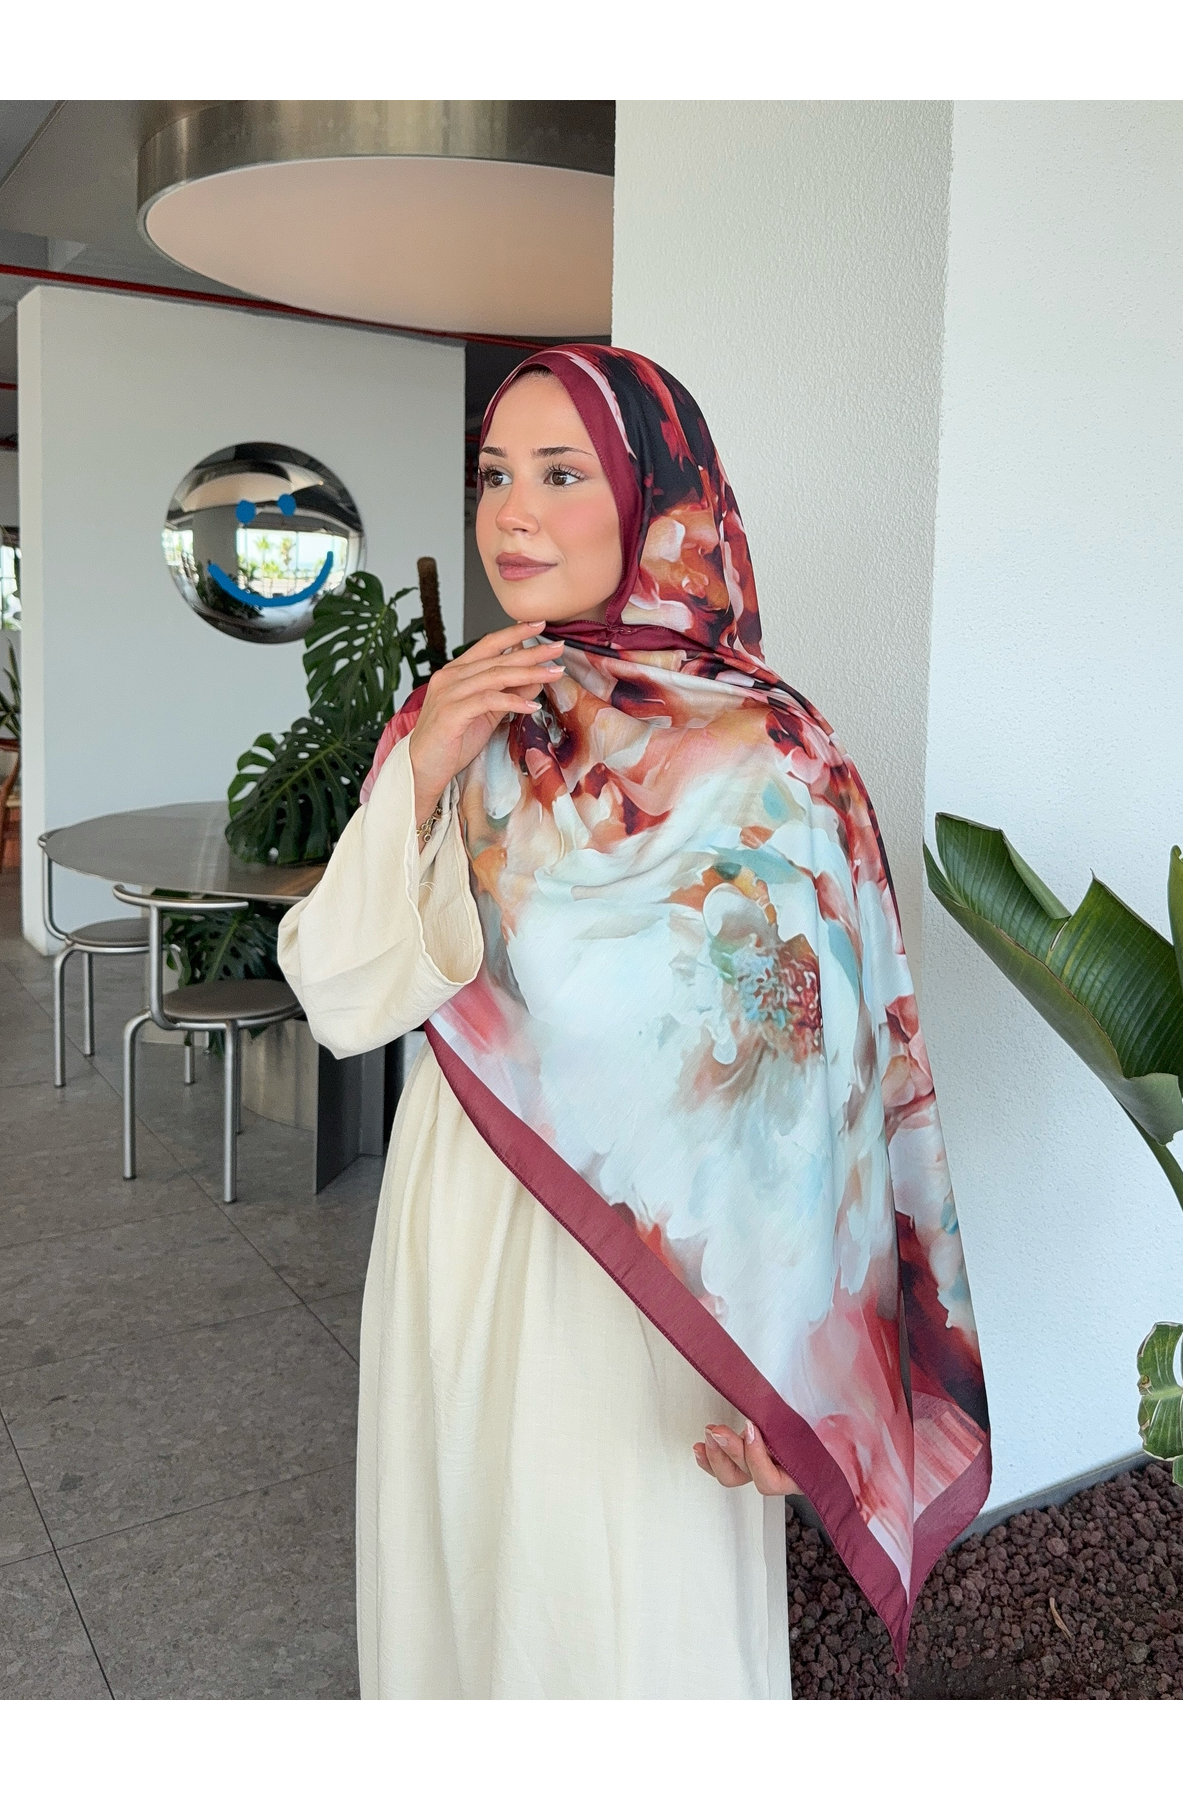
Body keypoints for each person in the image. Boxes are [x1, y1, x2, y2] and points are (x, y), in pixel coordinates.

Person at [277, 346, 991, 1700]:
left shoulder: (770, 757)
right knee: (459, 1598)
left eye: (562, 473)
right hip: (465, 1224)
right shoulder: (460, 720)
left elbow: (822, 1098)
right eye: (496, 473)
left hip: (665, 1294)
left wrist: (806, 1381)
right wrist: (419, 775)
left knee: (628, 1628)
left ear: (659, 500)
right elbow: (344, 993)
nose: (513, 514)